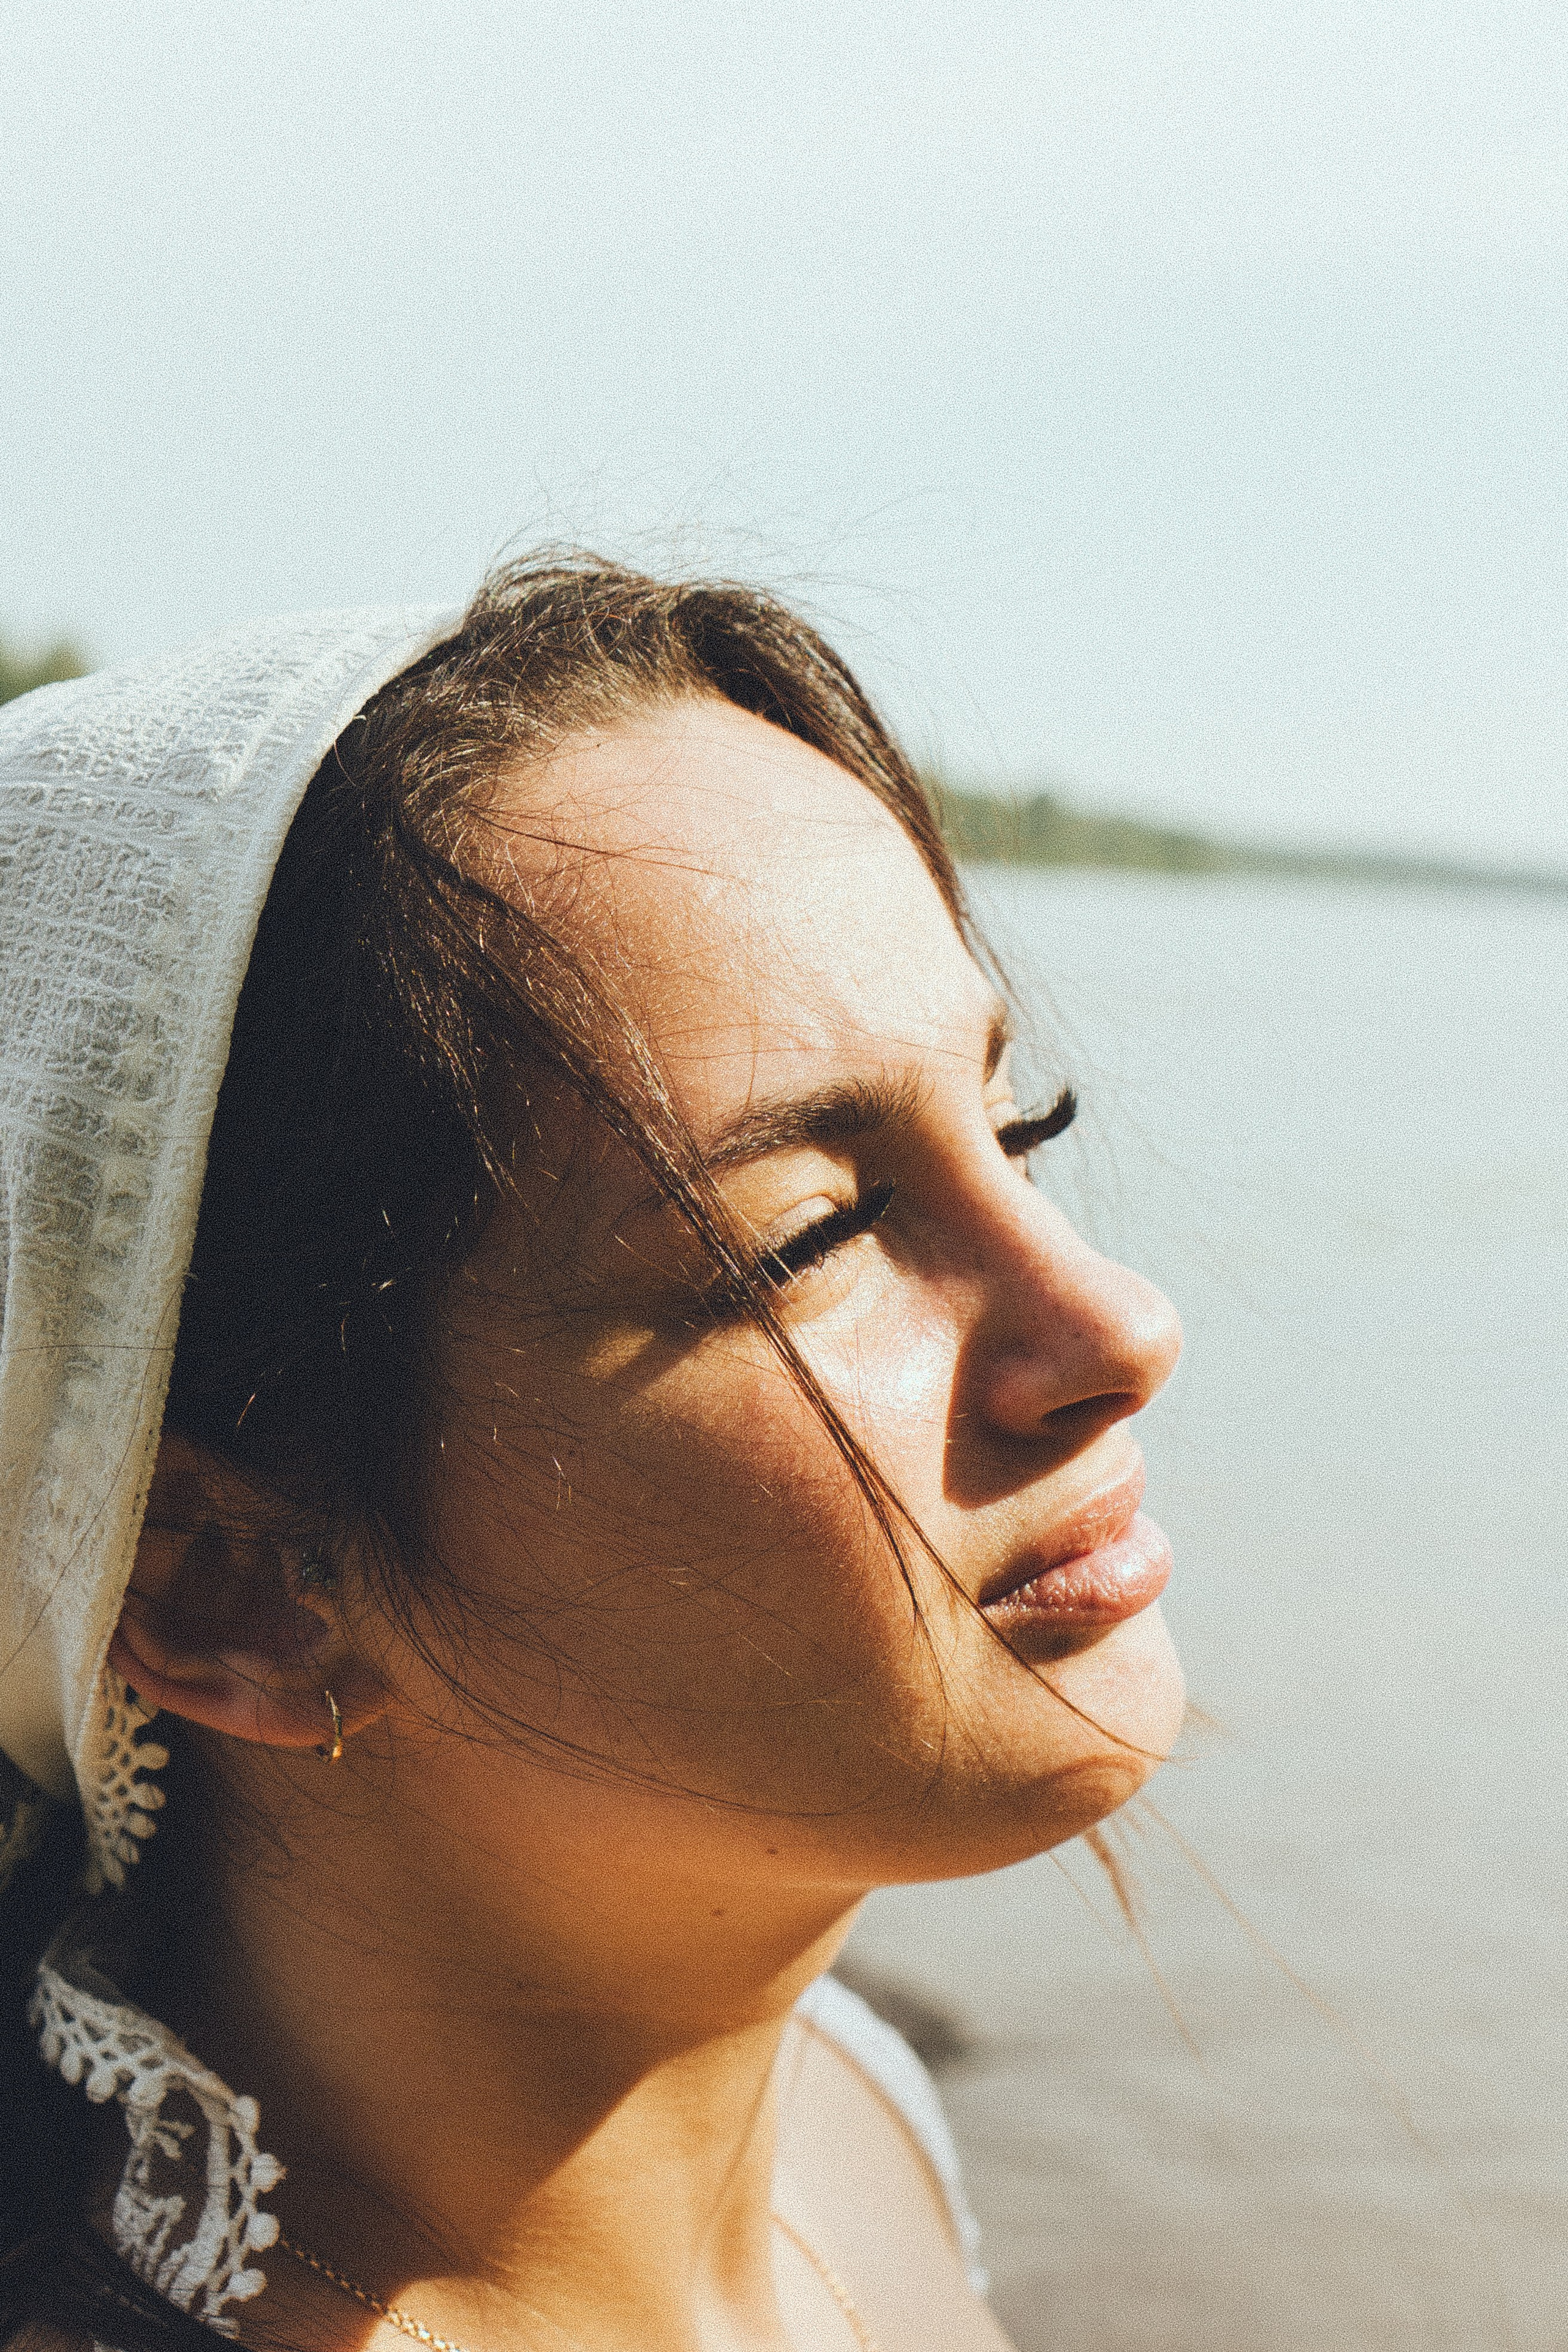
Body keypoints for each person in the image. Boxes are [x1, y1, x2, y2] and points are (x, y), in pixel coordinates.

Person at [0, 558, 1184, 2352]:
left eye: (1016, 1129)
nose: (1118, 1327)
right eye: (803, 1242)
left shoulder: (852, 2111)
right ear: (227, 1584)